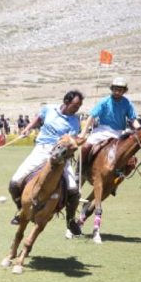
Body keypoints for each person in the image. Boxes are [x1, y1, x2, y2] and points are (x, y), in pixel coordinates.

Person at [8, 90, 85, 236]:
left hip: (61, 155)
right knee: (14, 183)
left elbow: (74, 139)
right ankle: (21, 210)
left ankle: (70, 220)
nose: (77, 109)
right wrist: (28, 128)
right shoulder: (50, 109)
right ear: (67, 102)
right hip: (41, 150)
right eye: (75, 105)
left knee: (74, 190)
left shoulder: (75, 121)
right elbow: (38, 118)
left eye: (79, 106)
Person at [79, 77, 141, 168]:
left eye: (120, 90)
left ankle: (121, 174)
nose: (117, 92)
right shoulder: (104, 102)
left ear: (124, 91)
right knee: (85, 147)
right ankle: (80, 169)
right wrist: (83, 132)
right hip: (102, 131)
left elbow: (133, 120)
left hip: (119, 133)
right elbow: (92, 116)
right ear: (112, 89)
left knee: (132, 159)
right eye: (115, 89)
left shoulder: (127, 103)